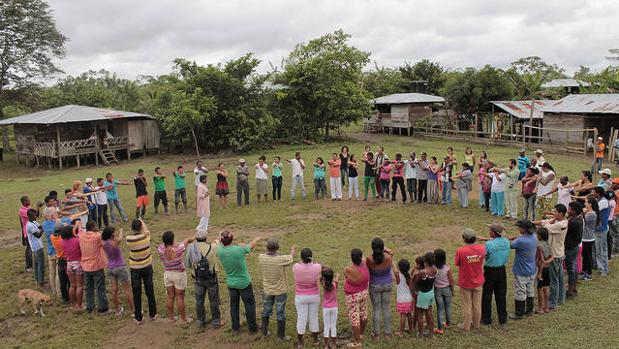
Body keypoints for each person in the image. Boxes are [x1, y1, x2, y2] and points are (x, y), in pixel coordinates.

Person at [217, 231, 260, 333]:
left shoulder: (219, 251)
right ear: (232, 239)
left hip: (231, 283)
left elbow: (219, 241)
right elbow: (251, 246)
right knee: (249, 305)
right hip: (244, 283)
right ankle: (252, 328)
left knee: (234, 306)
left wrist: (221, 235)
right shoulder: (239, 250)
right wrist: (255, 239)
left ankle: (235, 328)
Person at [258, 238, 295, 340]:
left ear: (267, 248)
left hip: (267, 290)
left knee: (266, 311)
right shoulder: (281, 259)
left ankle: (264, 332)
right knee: (280, 313)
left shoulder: (261, 258)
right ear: (278, 248)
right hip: (280, 291)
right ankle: (281, 336)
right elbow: (291, 258)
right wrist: (292, 250)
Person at [534, 204, 568, 310]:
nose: (553, 213)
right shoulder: (561, 221)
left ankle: (553, 302)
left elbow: (546, 227)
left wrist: (551, 220)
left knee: (554, 280)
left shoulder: (560, 224)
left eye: (555, 212)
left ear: (560, 213)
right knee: (560, 278)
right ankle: (561, 298)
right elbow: (544, 222)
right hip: (559, 253)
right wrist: (532, 222)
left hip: (555, 255)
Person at [185, 230, 222, 328]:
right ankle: (216, 321)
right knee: (214, 300)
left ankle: (200, 321)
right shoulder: (212, 247)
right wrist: (220, 233)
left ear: (196, 238)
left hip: (198, 279)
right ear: (206, 238)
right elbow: (218, 241)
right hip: (211, 278)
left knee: (199, 301)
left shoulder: (191, 248)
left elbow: (187, 264)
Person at [157, 230, 194, 324]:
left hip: (168, 273)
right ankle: (184, 319)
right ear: (173, 239)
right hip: (179, 274)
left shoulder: (160, 249)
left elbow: (166, 246)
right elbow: (187, 241)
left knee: (170, 296)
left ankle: (171, 318)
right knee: (180, 297)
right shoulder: (179, 248)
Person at [479, 223, 510, 328]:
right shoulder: (506, 241)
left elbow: (485, 256)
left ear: (493, 232)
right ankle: (503, 319)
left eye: (490, 230)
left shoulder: (489, 244)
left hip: (490, 271)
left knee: (487, 295)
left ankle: (486, 319)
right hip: (501, 270)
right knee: (501, 295)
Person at [126, 219, 158, 323]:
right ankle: (153, 313)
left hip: (135, 268)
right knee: (150, 290)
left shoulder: (129, 239)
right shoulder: (146, 237)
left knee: (136, 292)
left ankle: (138, 317)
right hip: (147, 266)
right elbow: (146, 230)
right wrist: (142, 222)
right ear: (141, 227)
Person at [454, 228, 485, 331]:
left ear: (464, 238)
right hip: (478, 281)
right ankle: (476, 325)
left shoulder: (461, 251)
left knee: (467, 305)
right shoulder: (481, 248)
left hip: (465, 282)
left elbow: (457, 263)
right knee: (477, 305)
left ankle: (466, 326)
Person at [102, 226, 134, 316]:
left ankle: (117, 310)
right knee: (127, 289)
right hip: (120, 267)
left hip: (110, 268)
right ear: (111, 234)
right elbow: (120, 238)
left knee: (114, 290)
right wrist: (121, 231)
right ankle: (134, 310)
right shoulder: (115, 242)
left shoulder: (103, 243)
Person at [293, 248, 322, 347]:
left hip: (300, 297)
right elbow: (319, 267)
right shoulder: (318, 267)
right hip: (314, 296)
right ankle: (316, 340)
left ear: (301, 257)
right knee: (314, 317)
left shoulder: (296, 267)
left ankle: (300, 342)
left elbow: (298, 265)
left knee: (301, 318)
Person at [509, 220, 538, 319]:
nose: (518, 229)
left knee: (520, 291)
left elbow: (510, 245)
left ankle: (519, 313)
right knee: (530, 289)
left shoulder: (520, 241)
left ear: (524, 229)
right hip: (532, 268)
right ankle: (529, 310)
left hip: (521, 270)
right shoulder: (534, 237)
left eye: (520, 227)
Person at [79, 220, 110, 314]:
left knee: (88, 287)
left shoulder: (81, 235)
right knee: (100, 287)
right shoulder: (97, 236)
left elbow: (78, 229)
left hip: (85, 265)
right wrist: (97, 231)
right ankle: (103, 308)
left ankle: (89, 306)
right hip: (96, 265)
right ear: (93, 227)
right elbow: (104, 241)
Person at [367, 238, 393, 339]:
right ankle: (387, 334)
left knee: (376, 309)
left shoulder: (369, 259)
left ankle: (376, 334)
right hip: (387, 284)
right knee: (386, 308)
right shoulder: (389, 257)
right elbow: (391, 252)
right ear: (383, 248)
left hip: (375, 285)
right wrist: (385, 249)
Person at [344, 248, 370, 348]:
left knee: (355, 318)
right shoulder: (366, 264)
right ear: (360, 257)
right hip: (363, 293)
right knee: (363, 314)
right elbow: (363, 259)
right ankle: (360, 334)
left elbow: (346, 277)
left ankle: (357, 342)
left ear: (351, 258)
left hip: (353, 296)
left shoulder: (348, 269)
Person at [413, 252, 437, 338]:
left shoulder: (423, 272)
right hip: (431, 292)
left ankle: (420, 333)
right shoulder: (435, 269)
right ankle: (431, 332)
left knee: (420, 314)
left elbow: (416, 282)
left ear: (425, 261)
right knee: (429, 312)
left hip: (423, 294)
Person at [60, 223, 84, 311]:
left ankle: (73, 304)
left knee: (72, 285)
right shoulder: (77, 240)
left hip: (69, 264)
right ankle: (80, 305)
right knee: (80, 285)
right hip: (78, 263)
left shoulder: (62, 241)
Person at [565, 201, 583, 298]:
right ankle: (572, 288)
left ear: (574, 210)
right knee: (573, 268)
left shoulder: (574, 222)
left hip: (571, 247)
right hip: (574, 246)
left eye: (569, 209)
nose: (568, 210)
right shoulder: (577, 218)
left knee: (571, 269)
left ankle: (571, 290)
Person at [433, 249, 454, 335]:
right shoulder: (447, 268)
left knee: (440, 309)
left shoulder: (433, 268)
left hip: (437, 290)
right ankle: (448, 323)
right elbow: (451, 280)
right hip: (447, 289)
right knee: (448, 307)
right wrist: (452, 290)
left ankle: (440, 328)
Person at [42, 197, 59, 298]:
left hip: (49, 251)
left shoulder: (44, 224)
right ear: (52, 215)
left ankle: (54, 291)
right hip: (57, 251)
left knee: (51, 273)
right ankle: (59, 292)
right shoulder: (57, 225)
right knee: (57, 274)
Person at [592, 187, 610, 277]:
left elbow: (594, 211)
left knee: (601, 250)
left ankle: (604, 269)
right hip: (598, 228)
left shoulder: (602, 202)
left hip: (601, 229)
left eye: (594, 192)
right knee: (597, 249)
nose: (592, 193)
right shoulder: (599, 200)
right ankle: (598, 266)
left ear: (598, 193)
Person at [50, 222, 70, 303]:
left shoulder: (52, 237)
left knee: (63, 282)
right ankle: (71, 296)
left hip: (60, 261)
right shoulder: (63, 239)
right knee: (70, 281)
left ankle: (64, 298)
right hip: (67, 260)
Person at [535, 227, 553, 313]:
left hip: (541, 269)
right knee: (546, 288)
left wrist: (539, 273)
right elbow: (552, 257)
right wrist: (547, 261)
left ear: (540, 236)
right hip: (548, 268)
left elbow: (541, 260)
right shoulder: (548, 244)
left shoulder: (539, 246)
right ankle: (546, 307)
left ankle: (540, 308)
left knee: (540, 289)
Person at [393, 259, 413, 336]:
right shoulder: (410, 276)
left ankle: (401, 332)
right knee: (409, 314)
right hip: (409, 299)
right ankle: (411, 329)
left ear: (399, 268)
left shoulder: (398, 276)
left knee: (403, 316)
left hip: (402, 300)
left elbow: (394, 269)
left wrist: (392, 260)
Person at [26, 208, 45, 286]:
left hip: (36, 246)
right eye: (34, 216)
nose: (36, 217)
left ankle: (38, 279)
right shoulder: (29, 225)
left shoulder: (33, 222)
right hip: (37, 247)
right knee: (40, 264)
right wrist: (43, 228)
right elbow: (38, 235)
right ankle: (41, 281)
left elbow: (39, 226)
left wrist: (41, 227)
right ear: (30, 216)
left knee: (37, 264)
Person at [581, 195, 599, 281]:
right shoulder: (589, 212)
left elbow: (581, 219)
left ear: (590, 204)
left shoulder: (591, 214)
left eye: (586, 202)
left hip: (588, 238)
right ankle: (584, 271)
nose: (584, 203)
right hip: (586, 237)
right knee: (585, 256)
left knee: (588, 257)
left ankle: (588, 274)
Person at [321, 268, 339, 349]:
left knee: (326, 326)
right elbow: (336, 278)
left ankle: (326, 345)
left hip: (326, 308)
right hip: (334, 307)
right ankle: (334, 344)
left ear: (324, 278)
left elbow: (320, 278)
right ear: (332, 277)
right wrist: (336, 276)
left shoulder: (324, 284)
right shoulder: (335, 284)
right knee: (333, 326)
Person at [19, 196, 34, 272]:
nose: (30, 201)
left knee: (31, 248)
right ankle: (28, 266)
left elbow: (36, 215)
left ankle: (31, 264)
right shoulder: (22, 210)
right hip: (27, 232)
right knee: (29, 249)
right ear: (24, 202)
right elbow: (33, 215)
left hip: (31, 231)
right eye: (28, 200)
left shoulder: (28, 207)